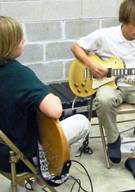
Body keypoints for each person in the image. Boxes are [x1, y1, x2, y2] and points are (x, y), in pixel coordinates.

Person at [71, 0, 135, 183]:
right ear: (123, 21)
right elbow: (76, 47)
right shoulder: (104, 35)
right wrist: (91, 63)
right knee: (103, 100)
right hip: (109, 86)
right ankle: (113, 139)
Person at [0, 16, 90, 191]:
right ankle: (43, 179)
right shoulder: (19, 75)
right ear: (9, 44)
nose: (23, 41)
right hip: (20, 156)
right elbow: (54, 110)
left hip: (3, 152)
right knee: (83, 123)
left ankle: (22, 183)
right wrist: (52, 97)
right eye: (20, 38)